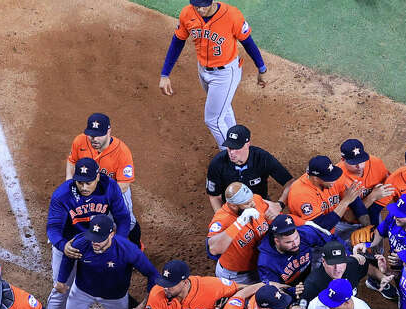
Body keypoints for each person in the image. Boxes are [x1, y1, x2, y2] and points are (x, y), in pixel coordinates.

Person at [42, 156, 131, 309]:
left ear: (98, 177)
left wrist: (117, 242)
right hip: (69, 246)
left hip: (98, 243)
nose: (83, 186)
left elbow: (123, 218)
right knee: (60, 290)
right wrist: (63, 246)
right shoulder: (63, 194)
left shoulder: (110, 188)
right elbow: (53, 228)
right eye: (79, 182)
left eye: (88, 182)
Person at [159, 1, 267, 149]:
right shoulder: (187, 13)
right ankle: (240, 143)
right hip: (203, 70)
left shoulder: (232, 15)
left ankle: (233, 157)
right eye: (196, 5)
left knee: (213, 120)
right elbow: (177, 42)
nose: (200, 9)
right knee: (223, 108)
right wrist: (165, 74)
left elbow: (248, 42)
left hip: (225, 74)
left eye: (204, 5)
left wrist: (261, 69)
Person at [54, 214, 158, 309]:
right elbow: (68, 258)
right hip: (82, 291)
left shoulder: (127, 249)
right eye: (93, 237)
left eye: (99, 240)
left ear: (111, 234)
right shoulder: (81, 241)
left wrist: (147, 300)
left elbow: (152, 274)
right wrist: (61, 280)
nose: (94, 243)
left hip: (114, 296)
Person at [65, 113, 141, 244]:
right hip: (87, 187)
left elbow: (124, 185)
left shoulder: (122, 152)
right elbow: (72, 161)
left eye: (98, 135)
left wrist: (100, 199)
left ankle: (137, 247)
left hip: (114, 191)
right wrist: (69, 182)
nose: (94, 139)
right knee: (81, 217)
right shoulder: (80, 141)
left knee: (128, 221)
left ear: (109, 131)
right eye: (91, 134)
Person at [206, 124, 293, 211]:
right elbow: (214, 196)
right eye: (230, 147)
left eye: (236, 148)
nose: (232, 152)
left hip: (259, 205)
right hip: (232, 209)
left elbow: (290, 183)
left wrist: (280, 205)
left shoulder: (262, 158)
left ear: (247, 144)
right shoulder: (217, 163)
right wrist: (222, 217)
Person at [207, 182, 272, 283]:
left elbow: (272, 217)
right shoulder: (222, 219)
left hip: (262, 268)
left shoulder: (255, 200)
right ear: (233, 206)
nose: (253, 204)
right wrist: (239, 223)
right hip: (237, 277)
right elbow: (213, 249)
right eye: (247, 203)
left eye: (251, 200)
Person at [286, 155, 363, 232]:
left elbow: (354, 200)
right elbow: (321, 227)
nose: (334, 180)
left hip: (334, 223)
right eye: (329, 178)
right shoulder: (300, 194)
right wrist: (345, 202)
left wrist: (367, 225)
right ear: (315, 178)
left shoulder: (335, 178)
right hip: (315, 234)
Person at [334, 138, 393, 236]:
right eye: (354, 163)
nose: (360, 166)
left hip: (371, 215)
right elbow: (349, 217)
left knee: (376, 247)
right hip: (346, 225)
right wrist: (372, 197)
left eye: (362, 160)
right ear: (343, 160)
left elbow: (390, 186)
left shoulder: (376, 163)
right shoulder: (337, 179)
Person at [257, 214, 337, 285]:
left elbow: (332, 240)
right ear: (277, 241)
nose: (295, 244)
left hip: (310, 270)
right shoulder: (266, 262)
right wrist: (294, 292)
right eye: (289, 242)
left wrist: (344, 254)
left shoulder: (304, 233)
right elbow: (274, 290)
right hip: (290, 286)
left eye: (296, 238)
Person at [295, 240, 369, 305]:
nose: (337, 268)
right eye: (332, 263)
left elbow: (367, 268)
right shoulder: (312, 284)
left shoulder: (354, 264)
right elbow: (302, 307)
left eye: (340, 262)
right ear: (323, 261)